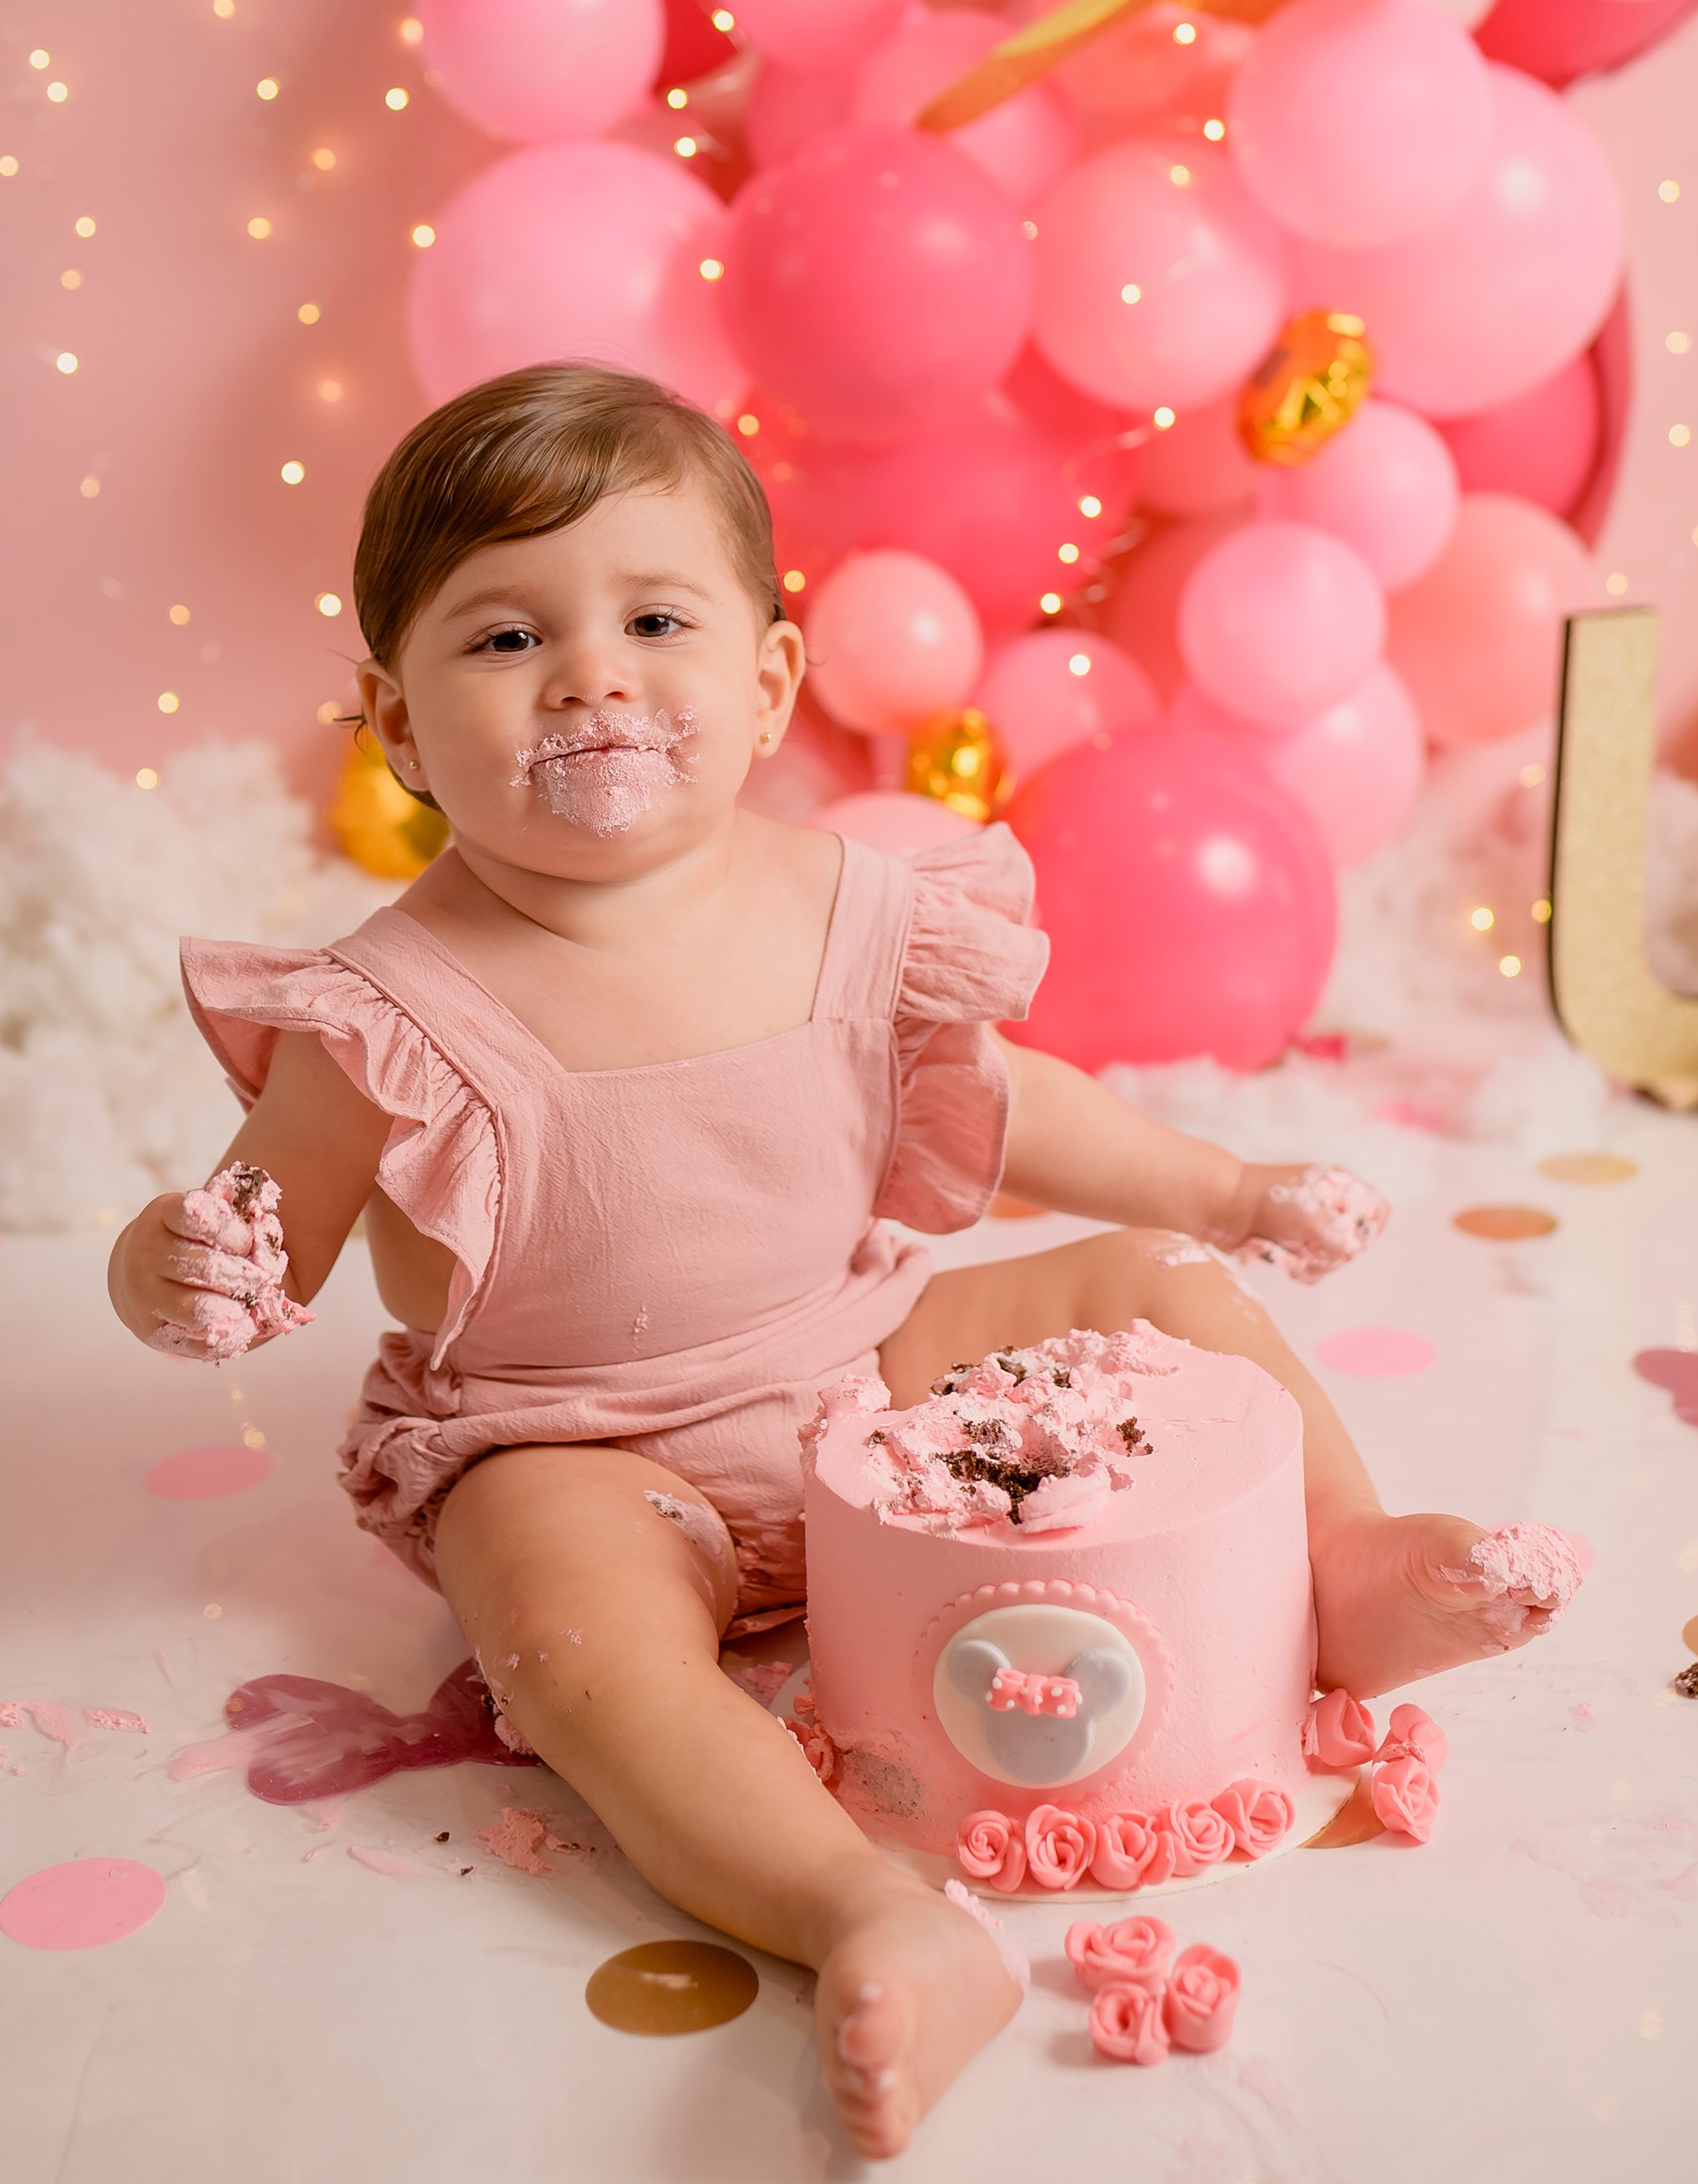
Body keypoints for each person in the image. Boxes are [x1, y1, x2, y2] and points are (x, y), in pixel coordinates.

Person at [108, 364, 1573, 2161]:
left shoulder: (847, 903)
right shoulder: (382, 1016)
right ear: (398, 727)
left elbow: (1012, 1106)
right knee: (566, 1635)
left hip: (868, 1359)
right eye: (505, 637)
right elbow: (263, 1233)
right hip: (575, 1440)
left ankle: (1343, 1571)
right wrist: (180, 1274)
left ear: (769, 682)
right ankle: (862, 1913)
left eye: (656, 620)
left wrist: (1224, 1188)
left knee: (1154, 1289)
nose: (590, 676)